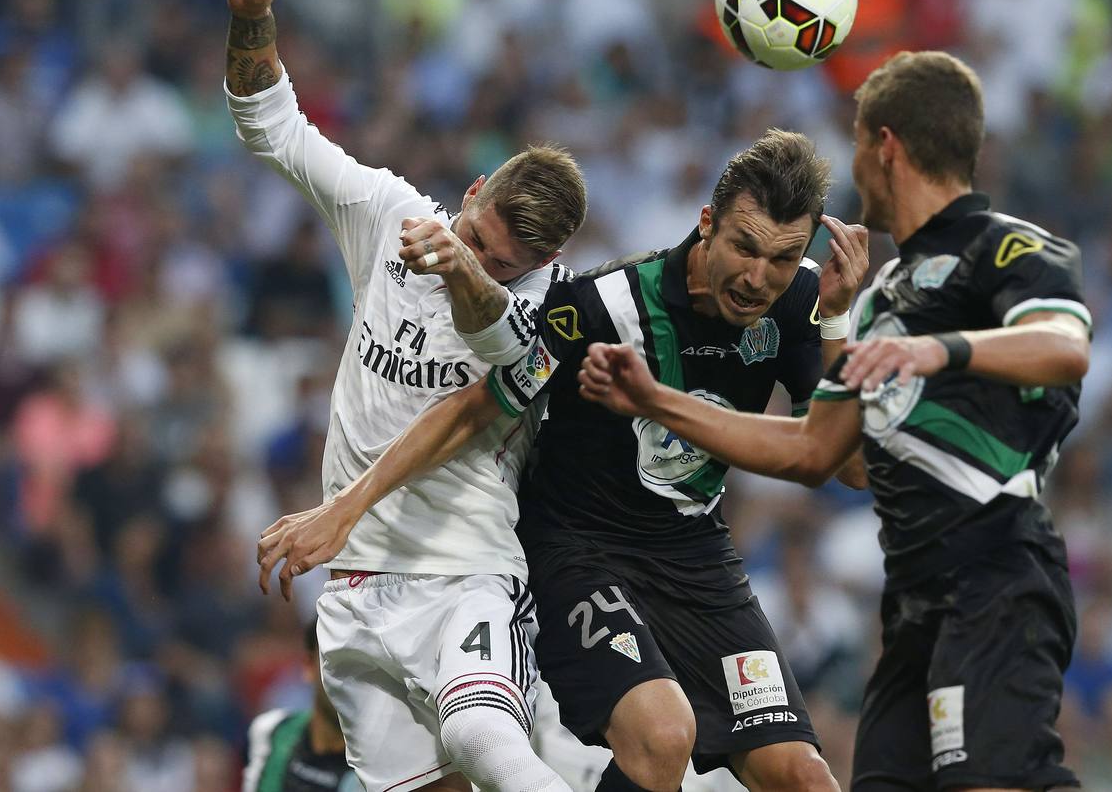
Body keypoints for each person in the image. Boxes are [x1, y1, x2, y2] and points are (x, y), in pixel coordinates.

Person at [265, 128, 871, 791]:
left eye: (783, 258)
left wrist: (838, 324)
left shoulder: (804, 301)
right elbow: (474, 409)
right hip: (578, 551)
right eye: (744, 247)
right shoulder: (596, 306)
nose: (758, 278)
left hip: (694, 556)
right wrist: (345, 507)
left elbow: (847, 467)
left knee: (805, 779)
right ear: (706, 223)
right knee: (662, 734)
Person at [577, 51, 1090, 792]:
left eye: (853, 143)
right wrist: (659, 401)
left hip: (994, 576)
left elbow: (1063, 347)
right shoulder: (881, 295)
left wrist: (937, 350)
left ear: (885, 147)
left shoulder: (1005, 245)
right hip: (915, 602)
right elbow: (822, 453)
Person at [215, 0, 585, 792]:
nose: (482, 260)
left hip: (468, 569)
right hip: (354, 582)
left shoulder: (556, 303)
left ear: (545, 261)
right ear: (474, 188)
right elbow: (270, 126)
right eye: (475, 237)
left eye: (505, 264)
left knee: (486, 743)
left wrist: (462, 271)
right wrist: (252, 18)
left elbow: (500, 353)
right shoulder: (389, 213)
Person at [242, 621, 361, 791]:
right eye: (335, 661)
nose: (347, 679)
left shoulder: (381, 769)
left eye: (359, 665)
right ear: (308, 665)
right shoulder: (271, 731)